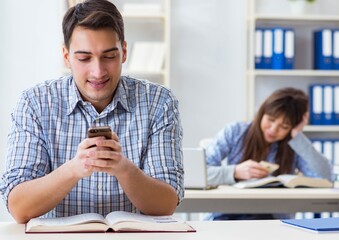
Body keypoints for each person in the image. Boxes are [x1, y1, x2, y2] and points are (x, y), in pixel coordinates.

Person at [0, 0, 183, 224]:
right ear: (66, 57)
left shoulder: (159, 102)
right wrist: (75, 168)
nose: (98, 72)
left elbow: (166, 205)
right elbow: (18, 207)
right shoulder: (34, 104)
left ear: (124, 52)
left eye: (109, 56)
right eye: (84, 58)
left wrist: (122, 167)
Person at [205, 87, 332, 220]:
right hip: (228, 214)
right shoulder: (235, 132)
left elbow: (326, 177)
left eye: (284, 126)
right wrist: (234, 172)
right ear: (262, 112)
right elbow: (200, 174)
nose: (273, 130)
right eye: (271, 120)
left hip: (272, 217)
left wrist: (297, 136)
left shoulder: (294, 144)